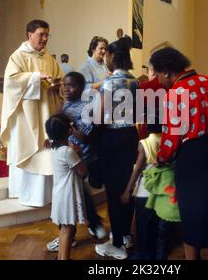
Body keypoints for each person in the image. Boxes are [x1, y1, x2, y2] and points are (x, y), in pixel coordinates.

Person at [151, 47, 208, 260]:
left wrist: (160, 159)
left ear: (167, 72)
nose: (158, 81)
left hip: (193, 159)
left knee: (193, 216)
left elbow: (171, 136)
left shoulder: (176, 92)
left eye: (157, 74)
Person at [0, 19, 64, 207]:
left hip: (47, 112)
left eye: (47, 35)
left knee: (45, 154)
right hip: (25, 118)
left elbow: (59, 79)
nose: (44, 39)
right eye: (41, 34)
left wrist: (58, 84)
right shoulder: (18, 57)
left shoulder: (49, 58)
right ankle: (27, 195)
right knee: (29, 150)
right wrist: (36, 78)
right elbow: (11, 82)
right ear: (29, 35)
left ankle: (45, 196)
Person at [46, 72, 108, 253]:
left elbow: (89, 137)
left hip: (84, 156)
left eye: (71, 85)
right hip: (70, 155)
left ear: (81, 88)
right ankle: (71, 234)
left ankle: (81, 229)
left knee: (79, 194)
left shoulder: (86, 107)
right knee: (77, 195)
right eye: (64, 85)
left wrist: (71, 130)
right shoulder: (66, 103)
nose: (66, 88)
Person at [94, 37, 139, 260]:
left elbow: (100, 117)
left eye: (107, 56)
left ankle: (118, 242)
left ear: (112, 57)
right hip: (130, 135)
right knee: (127, 188)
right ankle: (127, 236)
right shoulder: (135, 80)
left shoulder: (109, 83)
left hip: (112, 137)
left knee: (113, 191)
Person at [121, 122, 175, 260]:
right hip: (163, 191)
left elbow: (138, 169)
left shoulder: (145, 143)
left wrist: (128, 190)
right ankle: (159, 255)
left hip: (145, 192)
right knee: (158, 227)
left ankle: (144, 255)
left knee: (144, 226)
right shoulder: (168, 141)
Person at [45, 113, 88, 260]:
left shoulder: (55, 149)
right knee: (68, 229)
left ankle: (62, 257)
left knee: (65, 228)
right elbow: (82, 172)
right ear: (69, 131)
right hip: (68, 195)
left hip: (60, 193)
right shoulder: (68, 152)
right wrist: (79, 152)